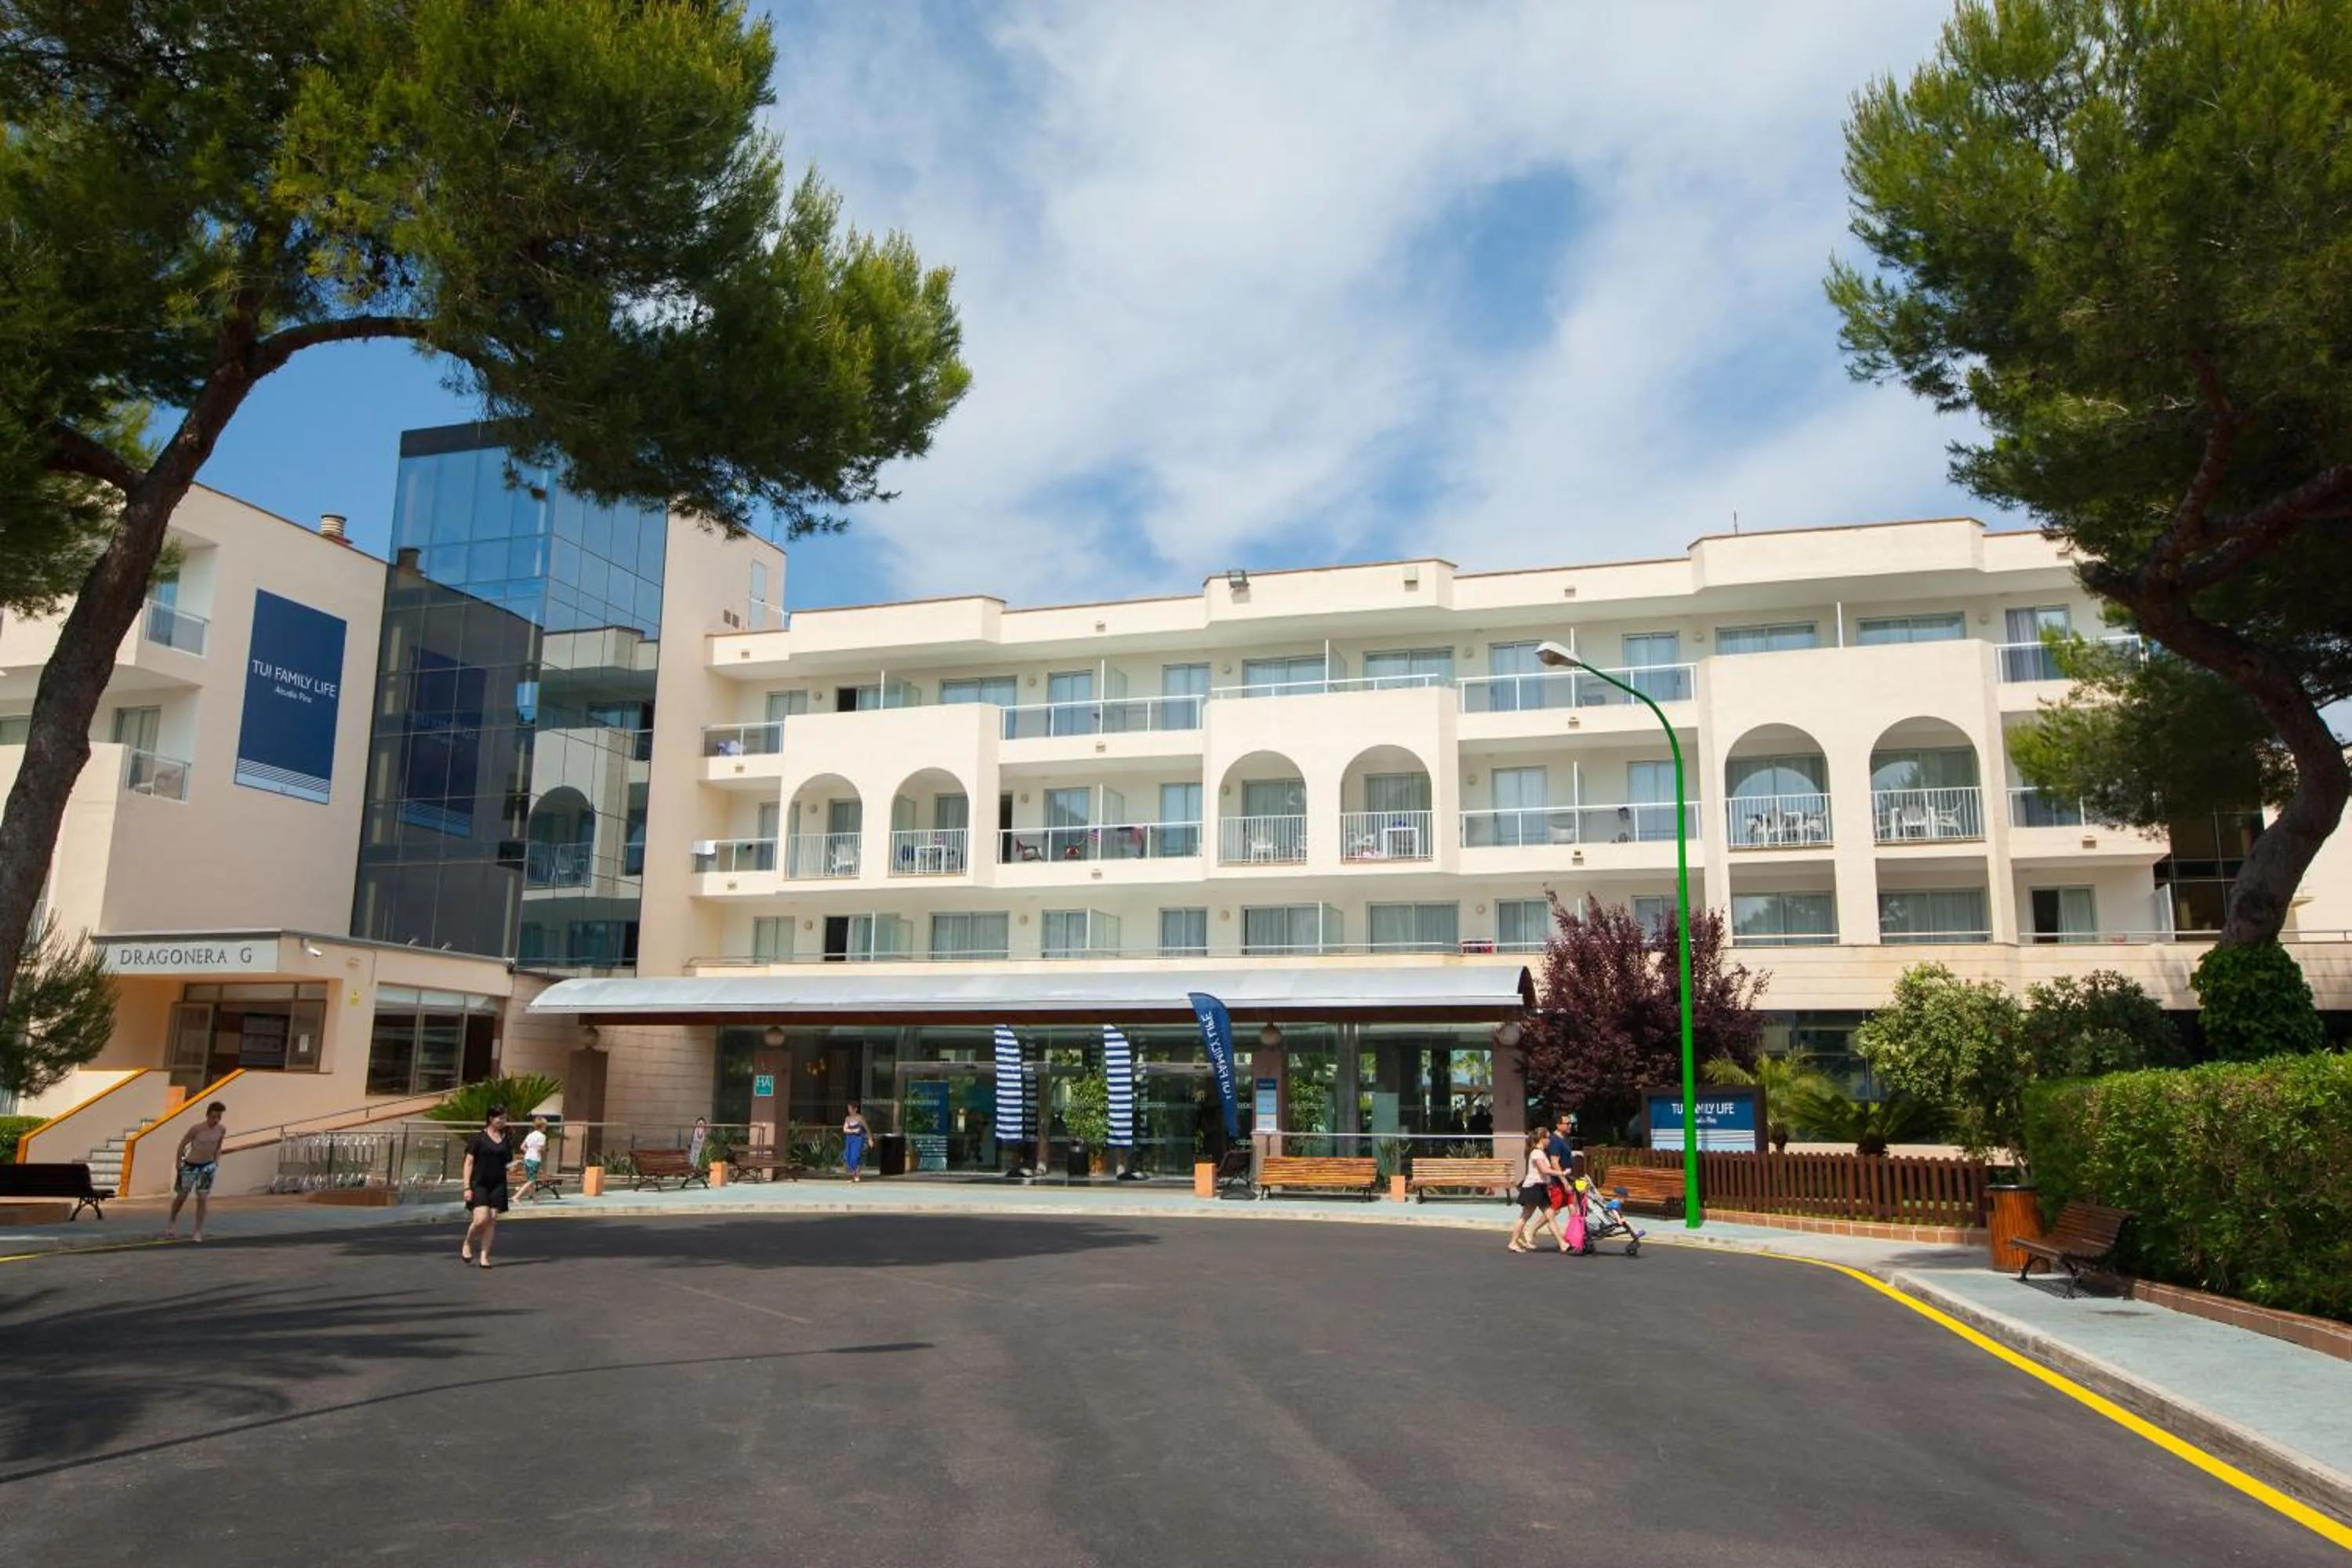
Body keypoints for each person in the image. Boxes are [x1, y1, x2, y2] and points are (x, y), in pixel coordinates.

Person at [163, 1102, 229, 1241]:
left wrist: (217, 1161)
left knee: (202, 1198)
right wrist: (179, 1161)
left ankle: (198, 1230)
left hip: (207, 1166)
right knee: (182, 1196)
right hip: (190, 1165)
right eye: (213, 1117)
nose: (216, 1120)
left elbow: (218, 1147)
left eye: (219, 1117)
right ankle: (172, 1222)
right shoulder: (197, 1129)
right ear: (207, 1115)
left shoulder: (221, 1130)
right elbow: (182, 1144)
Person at [459, 1105, 511, 1269]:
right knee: (481, 1219)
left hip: (498, 1183)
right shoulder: (478, 1139)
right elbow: (468, 1163)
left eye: (505, 1118)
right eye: (500, 1118)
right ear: (491, 1118)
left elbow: (506, 1162)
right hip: (479, 1183)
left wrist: (513, 1166)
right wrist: (467, 1187)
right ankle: (468, 1242)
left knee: (492, 1220)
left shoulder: (505, 1140)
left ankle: (484, 1256)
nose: (503, 1121)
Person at [1509, 1128, 1570, 1254]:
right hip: (1533, 1188)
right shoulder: (1536, 1153)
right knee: (1525, 1216)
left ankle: (1563, 1244)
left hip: (1540, 1188)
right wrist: (1562, 1173)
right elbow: (1544, 1170)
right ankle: (1513, 1242)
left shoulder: (1541, 1153)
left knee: (1550, 1215)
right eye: (1548, 1138)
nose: (1550, 1140)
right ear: (1542, 1139)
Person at [514, 1115, 550, 1203]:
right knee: (531, 1180)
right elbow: (539, 1149)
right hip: (535, 1159)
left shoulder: (530, 1135)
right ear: (542, 1126)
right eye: (545, 1126)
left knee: (531, 1180)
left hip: (527, 1158)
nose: (546, 1128)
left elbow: (522, 1147)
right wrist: (545, 1149)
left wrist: (529, 1152)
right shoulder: (542, 1136)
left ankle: (534, 1199)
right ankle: (517, 1196)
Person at [841, 1103, 869, 1182]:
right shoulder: (848, 1118)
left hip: (858, 1139)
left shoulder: (860, 1118)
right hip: (849, 1139)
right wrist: (853, 1131)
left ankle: (857, 1175)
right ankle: (854, 1175)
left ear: (855, 1109)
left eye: (850, 1108)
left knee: (855, 1156)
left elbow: (867, 1128)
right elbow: (845, 1129)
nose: (849, 1110)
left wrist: (870, 1139)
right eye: (848, 1108)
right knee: (848, 1156)